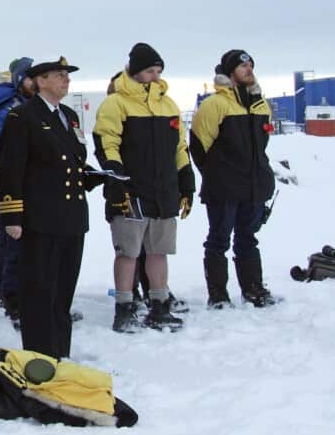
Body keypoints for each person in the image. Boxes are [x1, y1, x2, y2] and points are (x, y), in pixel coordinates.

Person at [0, 57, 102, 360]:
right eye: (59, 75)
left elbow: (73, 160)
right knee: (39, 294)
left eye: (67, 76)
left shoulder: (68, 115)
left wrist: (92, 176)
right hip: (40, 220)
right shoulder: (23, 117)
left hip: (71, 218)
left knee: (62, 295)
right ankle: (41, 359)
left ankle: (60, 355)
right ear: (40, 81)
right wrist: (12, 215)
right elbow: (11, 170)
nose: (66, 80)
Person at [92, 43, 195, 333]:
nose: (155, 75)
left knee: (159, 251)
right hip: (132, 191)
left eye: (159, 71)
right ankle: (124, 307)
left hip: (163, 192)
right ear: (136, 71)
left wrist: (186, 179)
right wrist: (117, 179)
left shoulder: (168, 104)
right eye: (150, 70)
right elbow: (107, 143)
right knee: (128, 252)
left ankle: (159, 304)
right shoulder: (116, 103)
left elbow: (180, 147)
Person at [191, 49, 280, 308]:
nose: (249, 70)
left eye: (251, 65)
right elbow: (198, 146)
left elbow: (261, 146)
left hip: (254, 187)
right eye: (243, 67)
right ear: (230, 73)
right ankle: (218, 295)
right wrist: (217, 175)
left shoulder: (260, 105)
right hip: (224, 188)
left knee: (248, 238)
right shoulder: (215, 105)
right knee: (219, 240)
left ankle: (253, 289)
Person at [0, 57, 34, 323]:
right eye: (29, 77)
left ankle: (0, 286)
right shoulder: (5, 112)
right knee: (11, 239)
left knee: (10, 239)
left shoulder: (28, 106)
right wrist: (2, 187)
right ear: (18, 80)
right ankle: (8, 292)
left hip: (27, 188)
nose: (34, 83)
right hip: (7, 188)